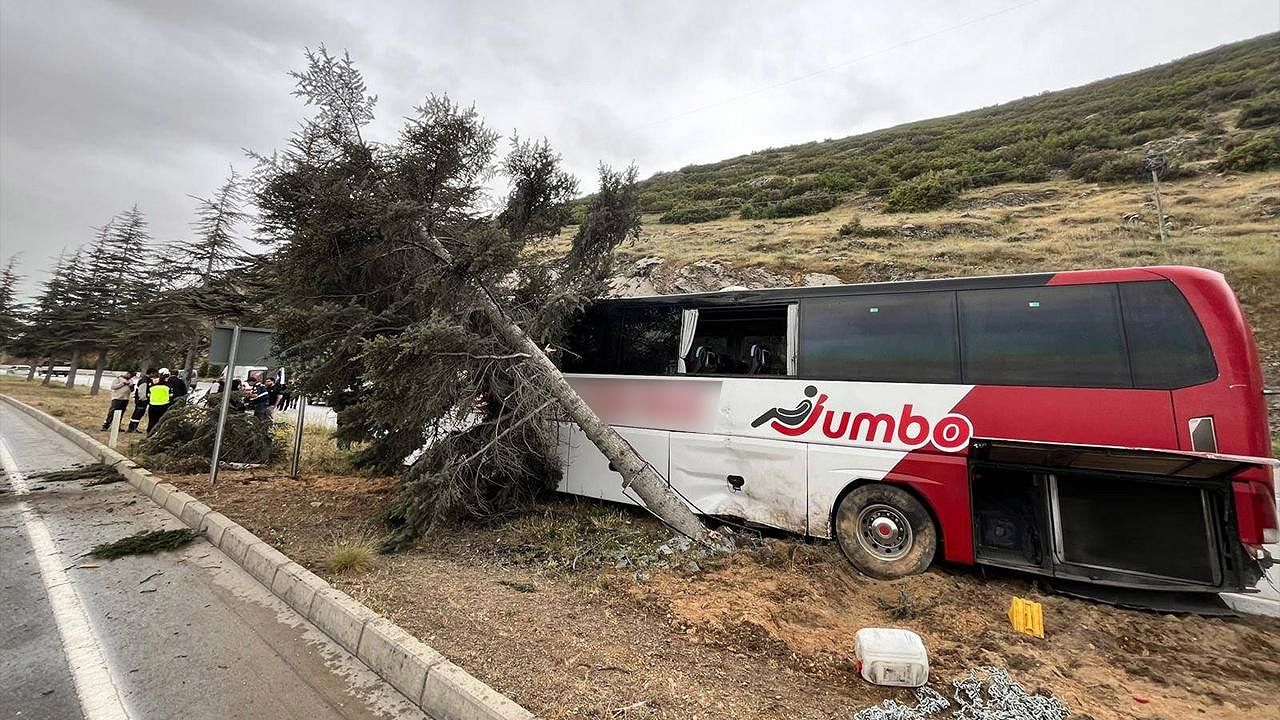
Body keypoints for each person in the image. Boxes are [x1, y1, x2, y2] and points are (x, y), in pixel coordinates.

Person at [126, 368, 155, 433]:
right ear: (151, 373)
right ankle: (132, 428)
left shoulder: (147, 380)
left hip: (141, 400)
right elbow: (142, 392)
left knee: (137, 414)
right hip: (141, 401)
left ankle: (133, 428)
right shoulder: (145, 381)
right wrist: (145, 399)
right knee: (137, 414)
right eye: (154, 373)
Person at [146, 368, 173, 435]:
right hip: (164, 405)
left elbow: (148, 395)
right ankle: (158, 433)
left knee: (152, 420)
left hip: (153, 405)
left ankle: (149, 432)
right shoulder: (168, 386)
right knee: (160, 420)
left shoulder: (151, 386)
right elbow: (171, 396)